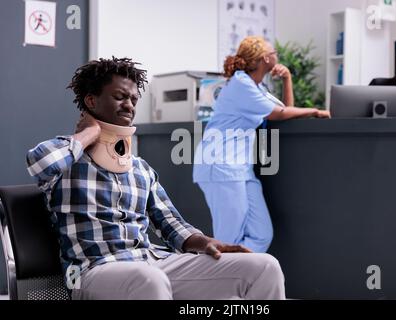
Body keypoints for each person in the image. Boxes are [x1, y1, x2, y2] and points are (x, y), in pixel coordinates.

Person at [26, 57, 285, 300]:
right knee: (149, 279)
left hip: (151, 261)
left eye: (133, 99)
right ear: (91, 101)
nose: (129, 105)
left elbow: (171, 224)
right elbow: (40, 163)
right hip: (91, 271)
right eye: (119, 97)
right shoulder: (67, 161)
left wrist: (207, 242)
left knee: (264, 266)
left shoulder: (140, 169)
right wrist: (88, 133)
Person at [193, 36, 330, 253]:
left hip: (240, 169)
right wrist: (316, 111)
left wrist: (287, 79)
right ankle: (217, 282)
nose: (277, 54)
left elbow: (286, 109)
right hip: (220, 165)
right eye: (273, 51)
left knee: (261, 234)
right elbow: (280, 113)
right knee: (228, 239)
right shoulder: (241, 83)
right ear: (265, 58)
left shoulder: (257, 88)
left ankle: (234, 274)